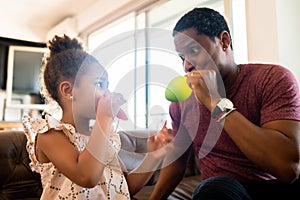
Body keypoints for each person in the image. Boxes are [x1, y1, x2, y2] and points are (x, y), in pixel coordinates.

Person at [149, 7, 300, 200]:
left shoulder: (272, 79)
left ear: (224, 41)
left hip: (272, 186)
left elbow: (287, 168)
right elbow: (178, 162)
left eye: (194, 50)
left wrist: (217, 103)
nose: (187, 65)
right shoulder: (183, 102)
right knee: (214, 189)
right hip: (219, 192)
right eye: (182, 57)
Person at [22, 34, 172, 200]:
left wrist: (153, 157)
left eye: (107, 85)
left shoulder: (102, 136)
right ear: (68, 90)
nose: (107, 92)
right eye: (99, 84)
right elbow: (86, 176)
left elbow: (124, 187)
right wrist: (105, 118)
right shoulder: (49, 135)